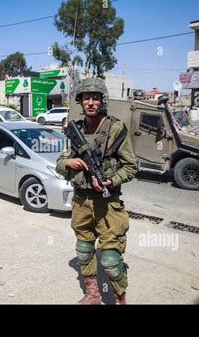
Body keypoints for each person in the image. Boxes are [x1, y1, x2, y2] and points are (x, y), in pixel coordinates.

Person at [56, 78, 137, 305]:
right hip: (81, 201)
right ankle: (92, 294)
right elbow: (60, 163)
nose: (91, 103)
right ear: (80, 102)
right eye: (86, 98)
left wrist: (110, 181)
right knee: (83, 249)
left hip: (108, 204)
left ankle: (120, 300)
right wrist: (70, 163)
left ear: (103, 100)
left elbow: (131, 166)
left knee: (110, 260)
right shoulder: (75, 130)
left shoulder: (116, 128)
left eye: (95, 98)